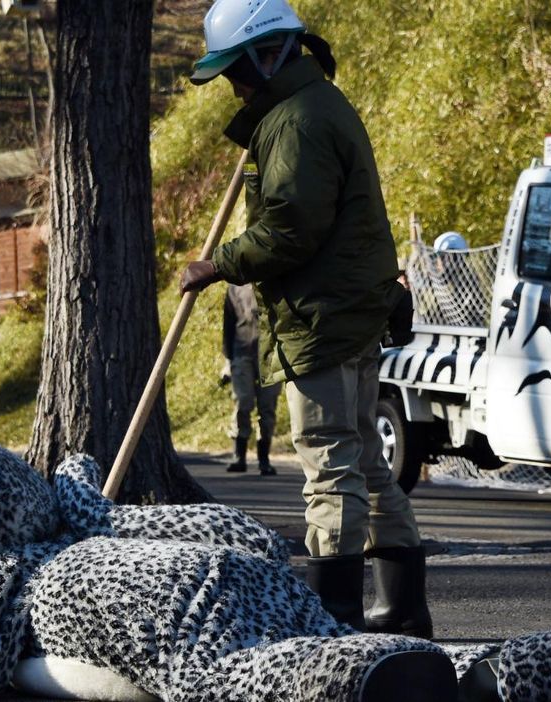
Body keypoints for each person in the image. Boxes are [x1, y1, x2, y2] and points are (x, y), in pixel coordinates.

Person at [178, 0, 431, 638]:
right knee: (367, 463)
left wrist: (218, 265)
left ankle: (335, 626)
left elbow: (290, 227)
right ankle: (402, 613)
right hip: (354, 311)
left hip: (323, 318)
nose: (232, 86)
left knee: (331, 467)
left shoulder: (296, 122)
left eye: (236, 70)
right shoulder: (316, 104)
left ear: (269, 56)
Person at [221, 283, 280, 476]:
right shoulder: (233, 288)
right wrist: (228, 360)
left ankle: (264, 458)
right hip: (241, 353)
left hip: (269, 355)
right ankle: (240, 455)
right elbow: (228, 326)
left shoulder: (273, 281)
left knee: (268, 406)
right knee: (243, 401)